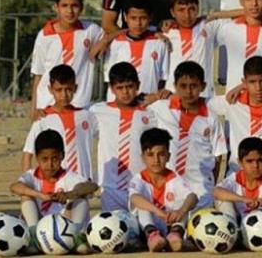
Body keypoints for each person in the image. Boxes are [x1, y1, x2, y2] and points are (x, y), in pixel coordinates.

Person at [148, 61, 227, 209]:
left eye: (194, 86)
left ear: (202, 86)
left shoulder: (211, 117)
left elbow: (219, 156)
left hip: (201, 191)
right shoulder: (161, 108)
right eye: (183, 86)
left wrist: (211, 185)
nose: (189, 91)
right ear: (175, 86)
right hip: (168, 190)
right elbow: (137, 106)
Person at [90, 62, 157, 211]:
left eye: (129, 86)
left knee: (143, 229)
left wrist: (160, 94)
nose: (125, 92)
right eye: (120, 88)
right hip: (110, 188)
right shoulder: (97, 111)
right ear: (112, 88)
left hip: (139, 185)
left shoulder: (150, 113)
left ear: (137, 86)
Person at [30, 0, 103, 119]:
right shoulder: (44, 36)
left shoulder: (91, 31)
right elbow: (38, 74)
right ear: (56, 7)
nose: (69, 11)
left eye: (74, 6)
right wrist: (34, 108)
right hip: (47, 107)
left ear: (81, 7)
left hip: (79, 106)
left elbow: (112, 38)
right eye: (64, 6)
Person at [209, 56, 262, 176]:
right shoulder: (233, 101)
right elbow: (194, 104)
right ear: (244, 82)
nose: (258, 88)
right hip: (238, 176)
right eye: (252, 82)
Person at [11, 130, 98, 231]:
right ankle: (33, 232)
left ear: (62, 156)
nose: (50, 164)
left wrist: (69, 194)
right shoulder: (31, 175)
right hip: (39, 224)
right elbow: (14, 187)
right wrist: (41, 195)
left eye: (55, 159)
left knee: (80, 199)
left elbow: (92, 186)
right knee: (25, 195)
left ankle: (76, 233)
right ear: (37, 158)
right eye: (44, 159)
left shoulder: (68, 176)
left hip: (63, 228)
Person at [22, 65, 97, 180]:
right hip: (56, 185)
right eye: (59, 90)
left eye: (68, 89)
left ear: (75, 88)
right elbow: (27, 154)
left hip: (82, 185)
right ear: (50, 89)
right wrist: (29, 183)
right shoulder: (43, 118)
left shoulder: (87, 116)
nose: (64, 95)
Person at [129, 128, 198, 252]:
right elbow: (134, 198)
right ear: (143, 158)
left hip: (170, 226)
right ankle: (152, 236)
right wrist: (158, 211)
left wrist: (181, 211)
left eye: (161, 154)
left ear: (168, 156)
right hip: (145, 232)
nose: (156, 160)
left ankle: (175, 235)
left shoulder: (174, 178)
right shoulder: (139, 179)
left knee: (183, 203)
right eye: (150, 155)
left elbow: (193, 197)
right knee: (143, 206)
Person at [93, 0, 170, 103]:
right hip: (120, 106)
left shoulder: (160, 43)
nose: (138, 23)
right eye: (133, 18)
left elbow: (163, 78)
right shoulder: (115, 43)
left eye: (143, 18)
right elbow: (110, 79)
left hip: (148, 106)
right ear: (125, 17)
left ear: (150, 18)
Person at [163, 0, 217, 96]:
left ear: (198, 9)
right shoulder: (165, 33)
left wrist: (215, 14)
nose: (187, 15)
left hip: (203, 95)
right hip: (173, 94)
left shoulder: (208, 27)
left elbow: (243, 13)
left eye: (192, 9)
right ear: (172, 12)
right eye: (181, 10)